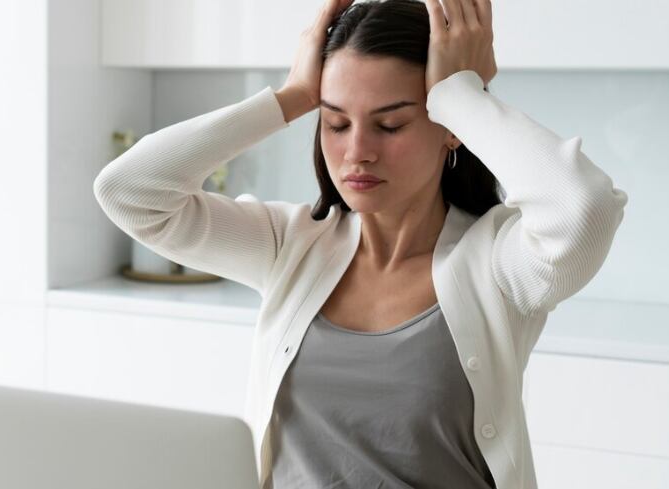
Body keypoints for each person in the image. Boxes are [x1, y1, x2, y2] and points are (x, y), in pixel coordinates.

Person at [93, 0, 629, 488]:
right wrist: (291, 97)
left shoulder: (497, 266)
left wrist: (461, 95)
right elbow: (130, 192)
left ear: (448, 128)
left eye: (390, 124)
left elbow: (583, 209)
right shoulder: (291, 246)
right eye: (335, 122)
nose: (357, 152)